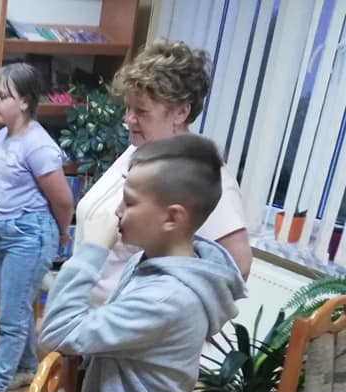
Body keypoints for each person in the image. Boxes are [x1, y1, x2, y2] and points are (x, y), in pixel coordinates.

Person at [38, 134, 247, 392]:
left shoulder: (167, 298)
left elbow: (57, 333)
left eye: (130, 201)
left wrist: (90, 252)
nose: (117, 211)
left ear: (172, 218)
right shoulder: (155, 261)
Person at [77, 39, 252, 308]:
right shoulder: (141, 149)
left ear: (181, 112)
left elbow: (238, 267)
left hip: (127, 327)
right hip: (90, 318)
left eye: (141, 111)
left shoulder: (201, 177)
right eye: (128, 108)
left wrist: (162, 318)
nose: (128, 119)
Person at [0, 63, 74, 392]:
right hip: (2, 235)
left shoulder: (38, 145)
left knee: (10, 318)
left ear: (25, 101)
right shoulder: (1, 138)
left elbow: (63, 200)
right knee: (17, 309)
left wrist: (61, 233)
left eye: (2, 97)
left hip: (29, 235)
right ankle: (26, 367)